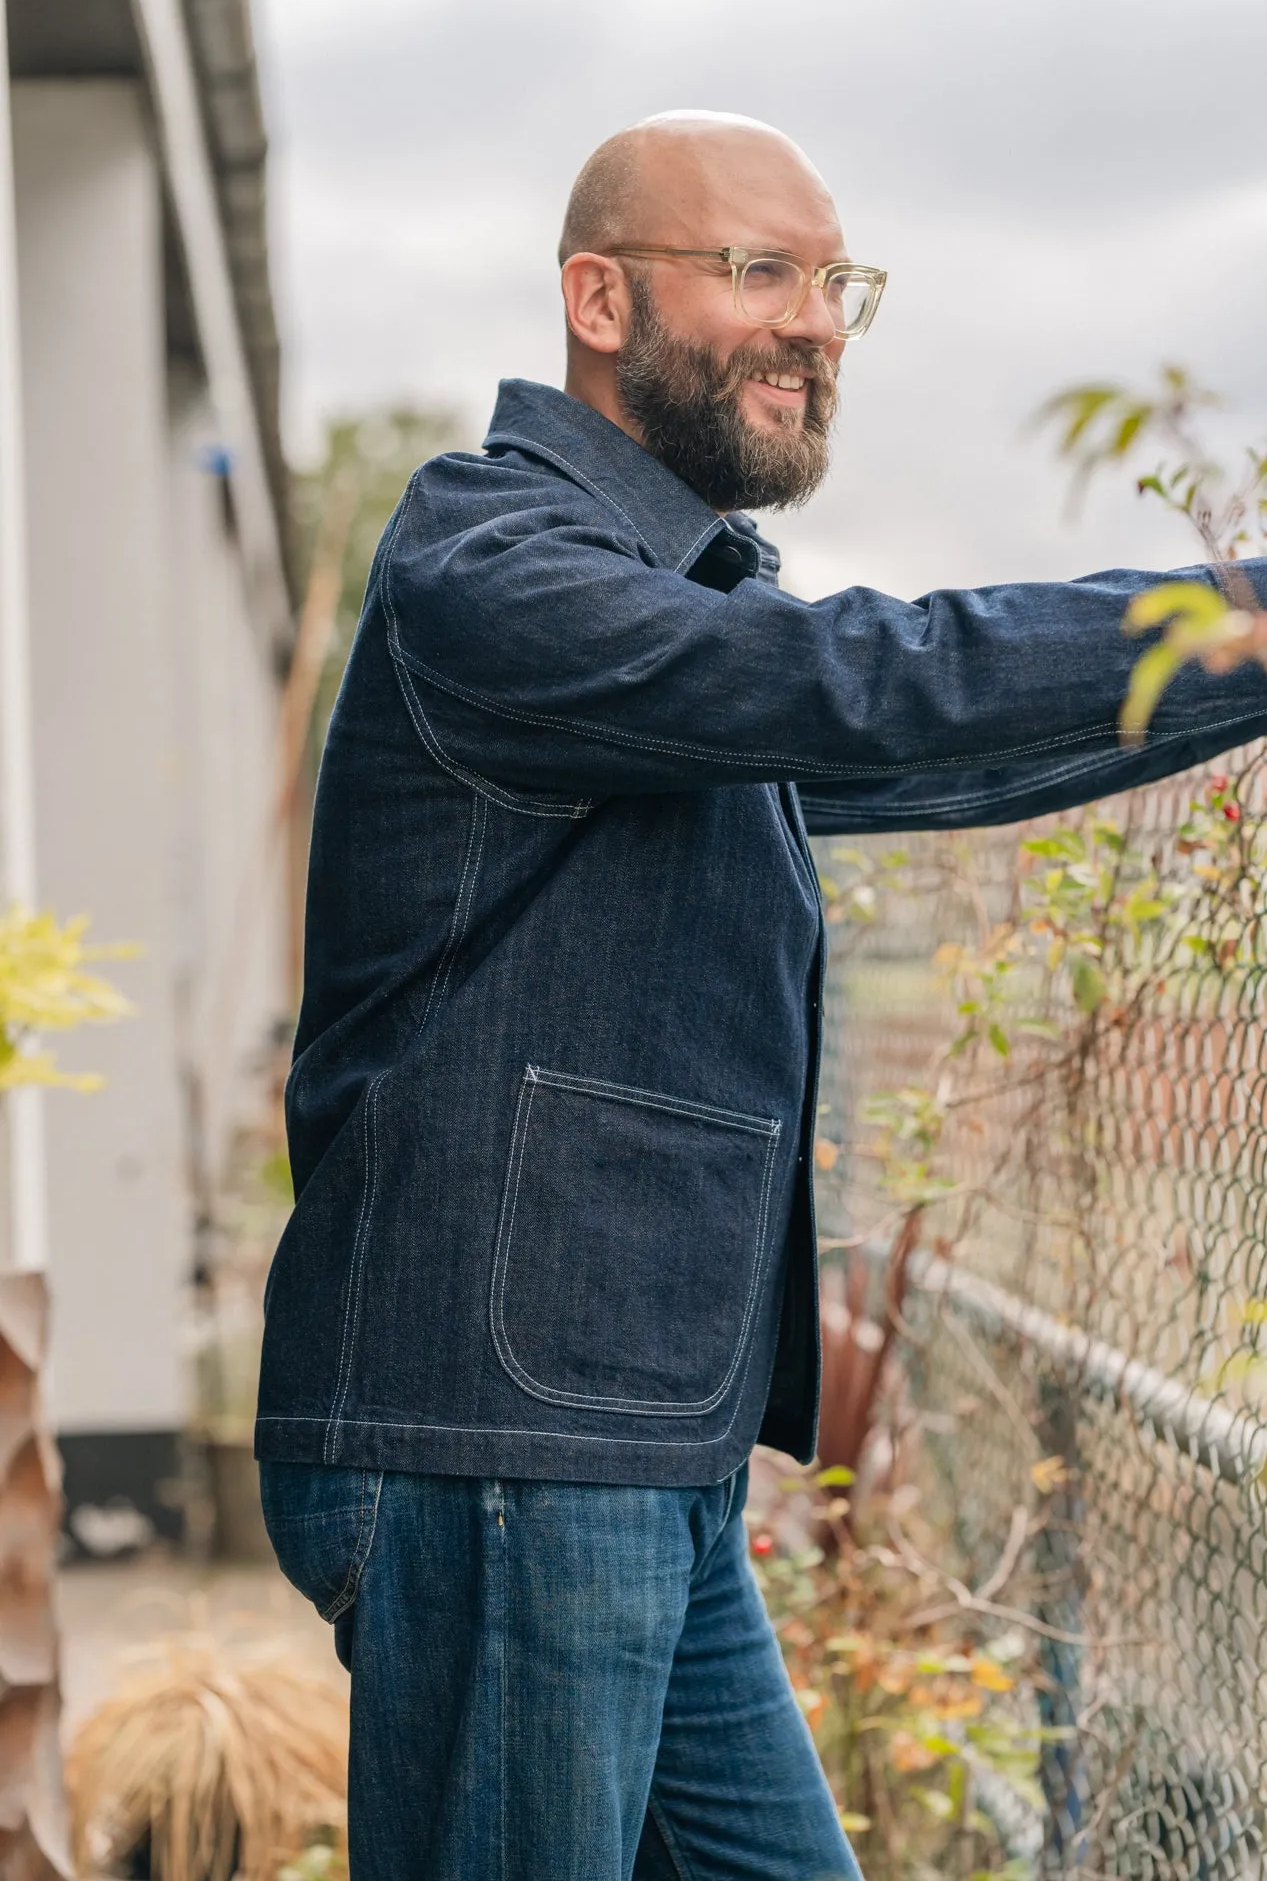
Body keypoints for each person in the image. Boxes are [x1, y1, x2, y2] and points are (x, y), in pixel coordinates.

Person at [256, 112, 1267, 1880]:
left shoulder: (668, 615)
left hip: (628, 1438)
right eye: (759, 271)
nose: (816, 321)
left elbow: (928, 747)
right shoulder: (492, 572)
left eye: (833, 281)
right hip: (502, 1446)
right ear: (596, 295)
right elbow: (871, 686)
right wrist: (1236, 623)